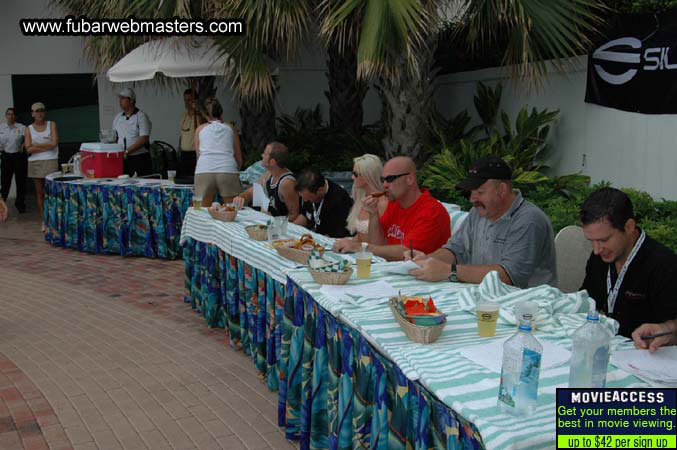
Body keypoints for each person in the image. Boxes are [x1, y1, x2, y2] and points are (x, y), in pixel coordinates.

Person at [408, 155, 557, 288]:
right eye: (471, 192)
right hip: (484, 298)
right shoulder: (478, 213)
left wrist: (449, 271)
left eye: (480, 192)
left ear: (502, 189)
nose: (473, 199)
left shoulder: (528, 220)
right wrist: (426, 261)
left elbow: (509, 277)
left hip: (528, 306)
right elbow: (456, 249)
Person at [580, 187, 677, 338]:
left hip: (646, 355)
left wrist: (666, 330)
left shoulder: (665, 265)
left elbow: (672, 326)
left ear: (629, 227)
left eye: (604, 240)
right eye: (591, 241)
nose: (596, 250)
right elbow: (587, 301)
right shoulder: (599, 259)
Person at [332, 156, 450, 260]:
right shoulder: (395, 203)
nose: (384, 185)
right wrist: (373, 214)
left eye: (390, 179)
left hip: (420, 277)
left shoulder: (431, 212)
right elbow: (378, 244)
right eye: (383, 180)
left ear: (410, 179)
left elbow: (406, 252)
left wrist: (361, 247)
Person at [193, 98, 243, 206]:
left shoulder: (199, 130)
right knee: (233, 210)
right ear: (221, 112)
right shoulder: (231, 128)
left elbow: (198, 157)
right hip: (227, 169)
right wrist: (235, 171)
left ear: (204, 114)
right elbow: (238, 158)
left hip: (204, 169)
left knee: (202, 212)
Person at [232, 142, 299, 221]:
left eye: (265, 153)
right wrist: (241, 197)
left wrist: (275, 222)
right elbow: (251, 192)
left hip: (279, 228)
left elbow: (294, 214)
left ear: (272, 162)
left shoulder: (286, 183)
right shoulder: (269, 174)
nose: (262, 155)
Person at [24, 102, 59, 229]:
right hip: (35, 162)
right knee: (40, 193)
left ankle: (54, 218)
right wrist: (46, 145)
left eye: (42, 110)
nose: (39, 113)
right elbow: (28, 148)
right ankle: (45, 220)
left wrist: (36, 146)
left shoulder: (51, 124)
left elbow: (54, 143)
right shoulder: (29, 128)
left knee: (52, 192)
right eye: (37, 111)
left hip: (51, 160)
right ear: (32, 113)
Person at [293, 168, 353, 238]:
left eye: (309, 198)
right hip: (313, 234)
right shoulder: (308, 192)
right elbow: (305, 216)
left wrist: (313, 241)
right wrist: (289, 228)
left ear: (320, 190)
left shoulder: (339, 199)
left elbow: (336, 233)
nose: (305, 200)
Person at [346, 154, 389, 242]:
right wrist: (349, 243)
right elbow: (360, 234)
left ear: (368, 176)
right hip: (360, 250)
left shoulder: (383, 203)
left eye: (355, 174)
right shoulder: (361, 195)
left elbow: (385, 241)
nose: (352, 177)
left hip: (374, 253)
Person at [112, 88, 153, 176]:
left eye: (123, 98)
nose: (120, 101)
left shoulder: (141, 116)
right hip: (122, 158)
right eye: (120, 98)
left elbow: (143, 139)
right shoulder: (118, 117)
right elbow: (115, 137)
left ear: (131, 100)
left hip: (139, 158)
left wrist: (127, 151)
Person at [0, 107, 27, 213]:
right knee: (5, 182)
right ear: (6, 115)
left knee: (20, 182)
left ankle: (20, 204)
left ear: (15, 116)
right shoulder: (1, 127)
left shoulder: (22, 127)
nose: (10, 116)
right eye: (8, 114)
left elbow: (30, 137)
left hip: (18, 157)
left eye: (12, 114)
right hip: (6, 156)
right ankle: (2, 204)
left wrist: (23, 145)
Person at [178, 88, 203, 176]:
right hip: (184, 155)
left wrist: (198, 110)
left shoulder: (199, 116)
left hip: (195, 154)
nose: (187, 103)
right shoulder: (183, 116)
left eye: (189, 100)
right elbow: (181, 135)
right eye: (185, 100)